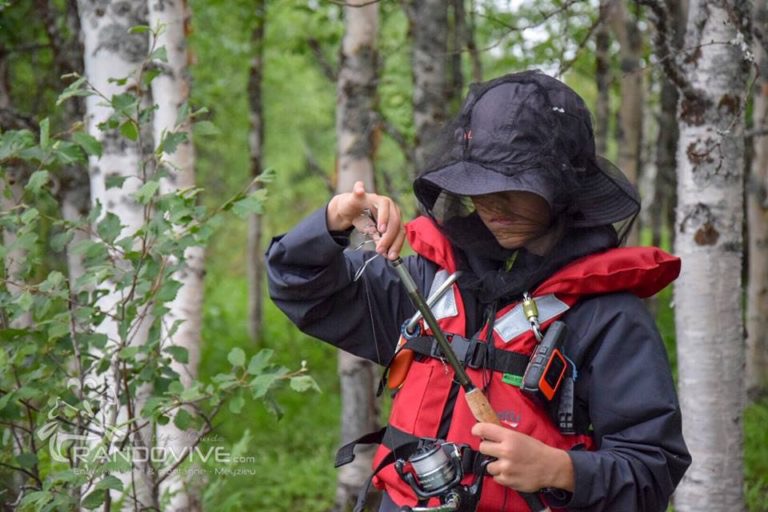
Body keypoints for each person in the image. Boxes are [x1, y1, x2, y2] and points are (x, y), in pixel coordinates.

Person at [266, 70, 690, 511]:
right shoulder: (432, 283)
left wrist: (560, 470)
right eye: (479, 185)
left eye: (513, 186)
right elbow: (301, 289)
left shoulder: (608, 317)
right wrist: (334, 219)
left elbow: (652, 468)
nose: (492, 204)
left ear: (563, 188)